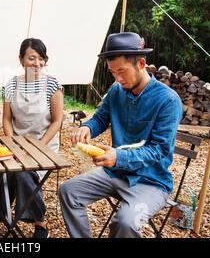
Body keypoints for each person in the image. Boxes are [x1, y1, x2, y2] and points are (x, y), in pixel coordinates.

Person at [58, 32, 183, 238]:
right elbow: (101, 118)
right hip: (114, 173)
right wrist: (88, 127)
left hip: (151, 181)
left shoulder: (168, 100)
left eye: (122, 71)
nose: (117, 78)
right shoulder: (117, 90)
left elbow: (159, 150)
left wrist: (119, 157)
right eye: (113, 72)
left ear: (141, 63)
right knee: (68, 191)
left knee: (125, 222)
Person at [0, 38, 64, 238]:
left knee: (23, 172)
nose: (37, 63)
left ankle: (40, 222)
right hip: (16, 143)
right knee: (2, 170)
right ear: (21, 59)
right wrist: (13, 144)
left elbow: (57, 121)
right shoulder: (11, 85)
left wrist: (38, 147)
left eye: (41, 59)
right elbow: (6, 120)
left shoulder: (52, 84)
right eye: (32, 58)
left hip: (44, 146)